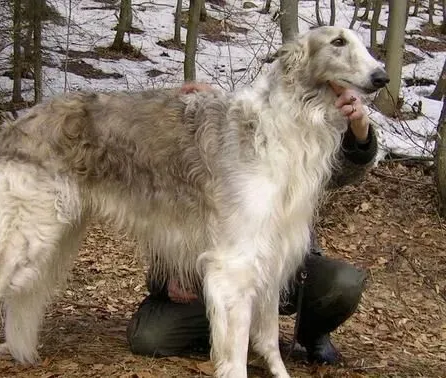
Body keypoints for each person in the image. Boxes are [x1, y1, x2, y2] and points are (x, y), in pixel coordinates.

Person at [126, 81, 378, 365]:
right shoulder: (165, 172)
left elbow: (344, 170)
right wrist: (168, 282)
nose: (194, 119)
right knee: (148, 338)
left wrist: (360, 129)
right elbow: (158, 260)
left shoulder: (269, 144)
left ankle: (309, 333)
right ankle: (226, 334)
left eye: (202, 106)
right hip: (205, 286)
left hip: (287, 273)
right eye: (186, 113)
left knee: (343, 284)